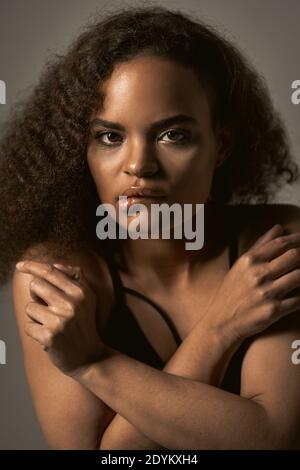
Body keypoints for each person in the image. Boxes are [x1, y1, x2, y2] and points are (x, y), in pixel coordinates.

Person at [1, 6, 300, 450]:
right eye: (110, 137)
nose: (139, 165)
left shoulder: (276, 242)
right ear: (78, 150)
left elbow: (271, 436)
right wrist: (223, 325)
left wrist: (91, 362)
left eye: (173, 135)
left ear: (222, 144)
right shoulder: (53, 277)